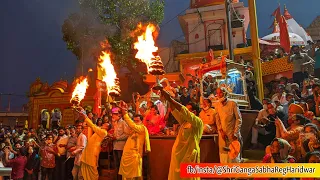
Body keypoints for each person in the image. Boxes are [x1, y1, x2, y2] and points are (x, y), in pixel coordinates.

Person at [161, 89, 203, 180]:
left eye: (188, 110)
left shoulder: (197, 122)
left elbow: (184, 111)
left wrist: (171, 99)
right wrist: (168, 99)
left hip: (189, 157)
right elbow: (174, 110)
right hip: (178, 157)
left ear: (194, 113)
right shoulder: (184, 122)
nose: (184, 112)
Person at [118, 101, 151, 180]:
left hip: (135, 155)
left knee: (136, 176)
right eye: (134, 121)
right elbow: (128, 125)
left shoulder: (142, 128)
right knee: (126, 176)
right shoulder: (132, 129)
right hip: (127, 155)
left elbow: (132, 124)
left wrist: (125, 114)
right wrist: (124, 111)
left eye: (137, 121)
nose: (135, 123)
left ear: (141, 121)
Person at [214, 87, 242, 163]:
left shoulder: (232, 103)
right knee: (224, 154)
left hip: (232, 133)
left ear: (225, 93)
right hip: (222, 134)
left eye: (221, 93)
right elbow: (217, 119)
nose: (219, 95)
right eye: (218, 93)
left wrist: (235, 132)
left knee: (233, 154)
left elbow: (238, 119)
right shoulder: (217, 105)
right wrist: (220, 131)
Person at [79, 109, 108, 180]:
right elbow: (91, 125)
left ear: (107, 128)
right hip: (89, 149)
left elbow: (92, 125)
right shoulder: (99, 129)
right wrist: (83, 111)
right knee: (86, 166)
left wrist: (85, 116)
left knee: (93, 167)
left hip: (93, 151)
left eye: (105, 124)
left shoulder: (104, 132)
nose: (103, 124)